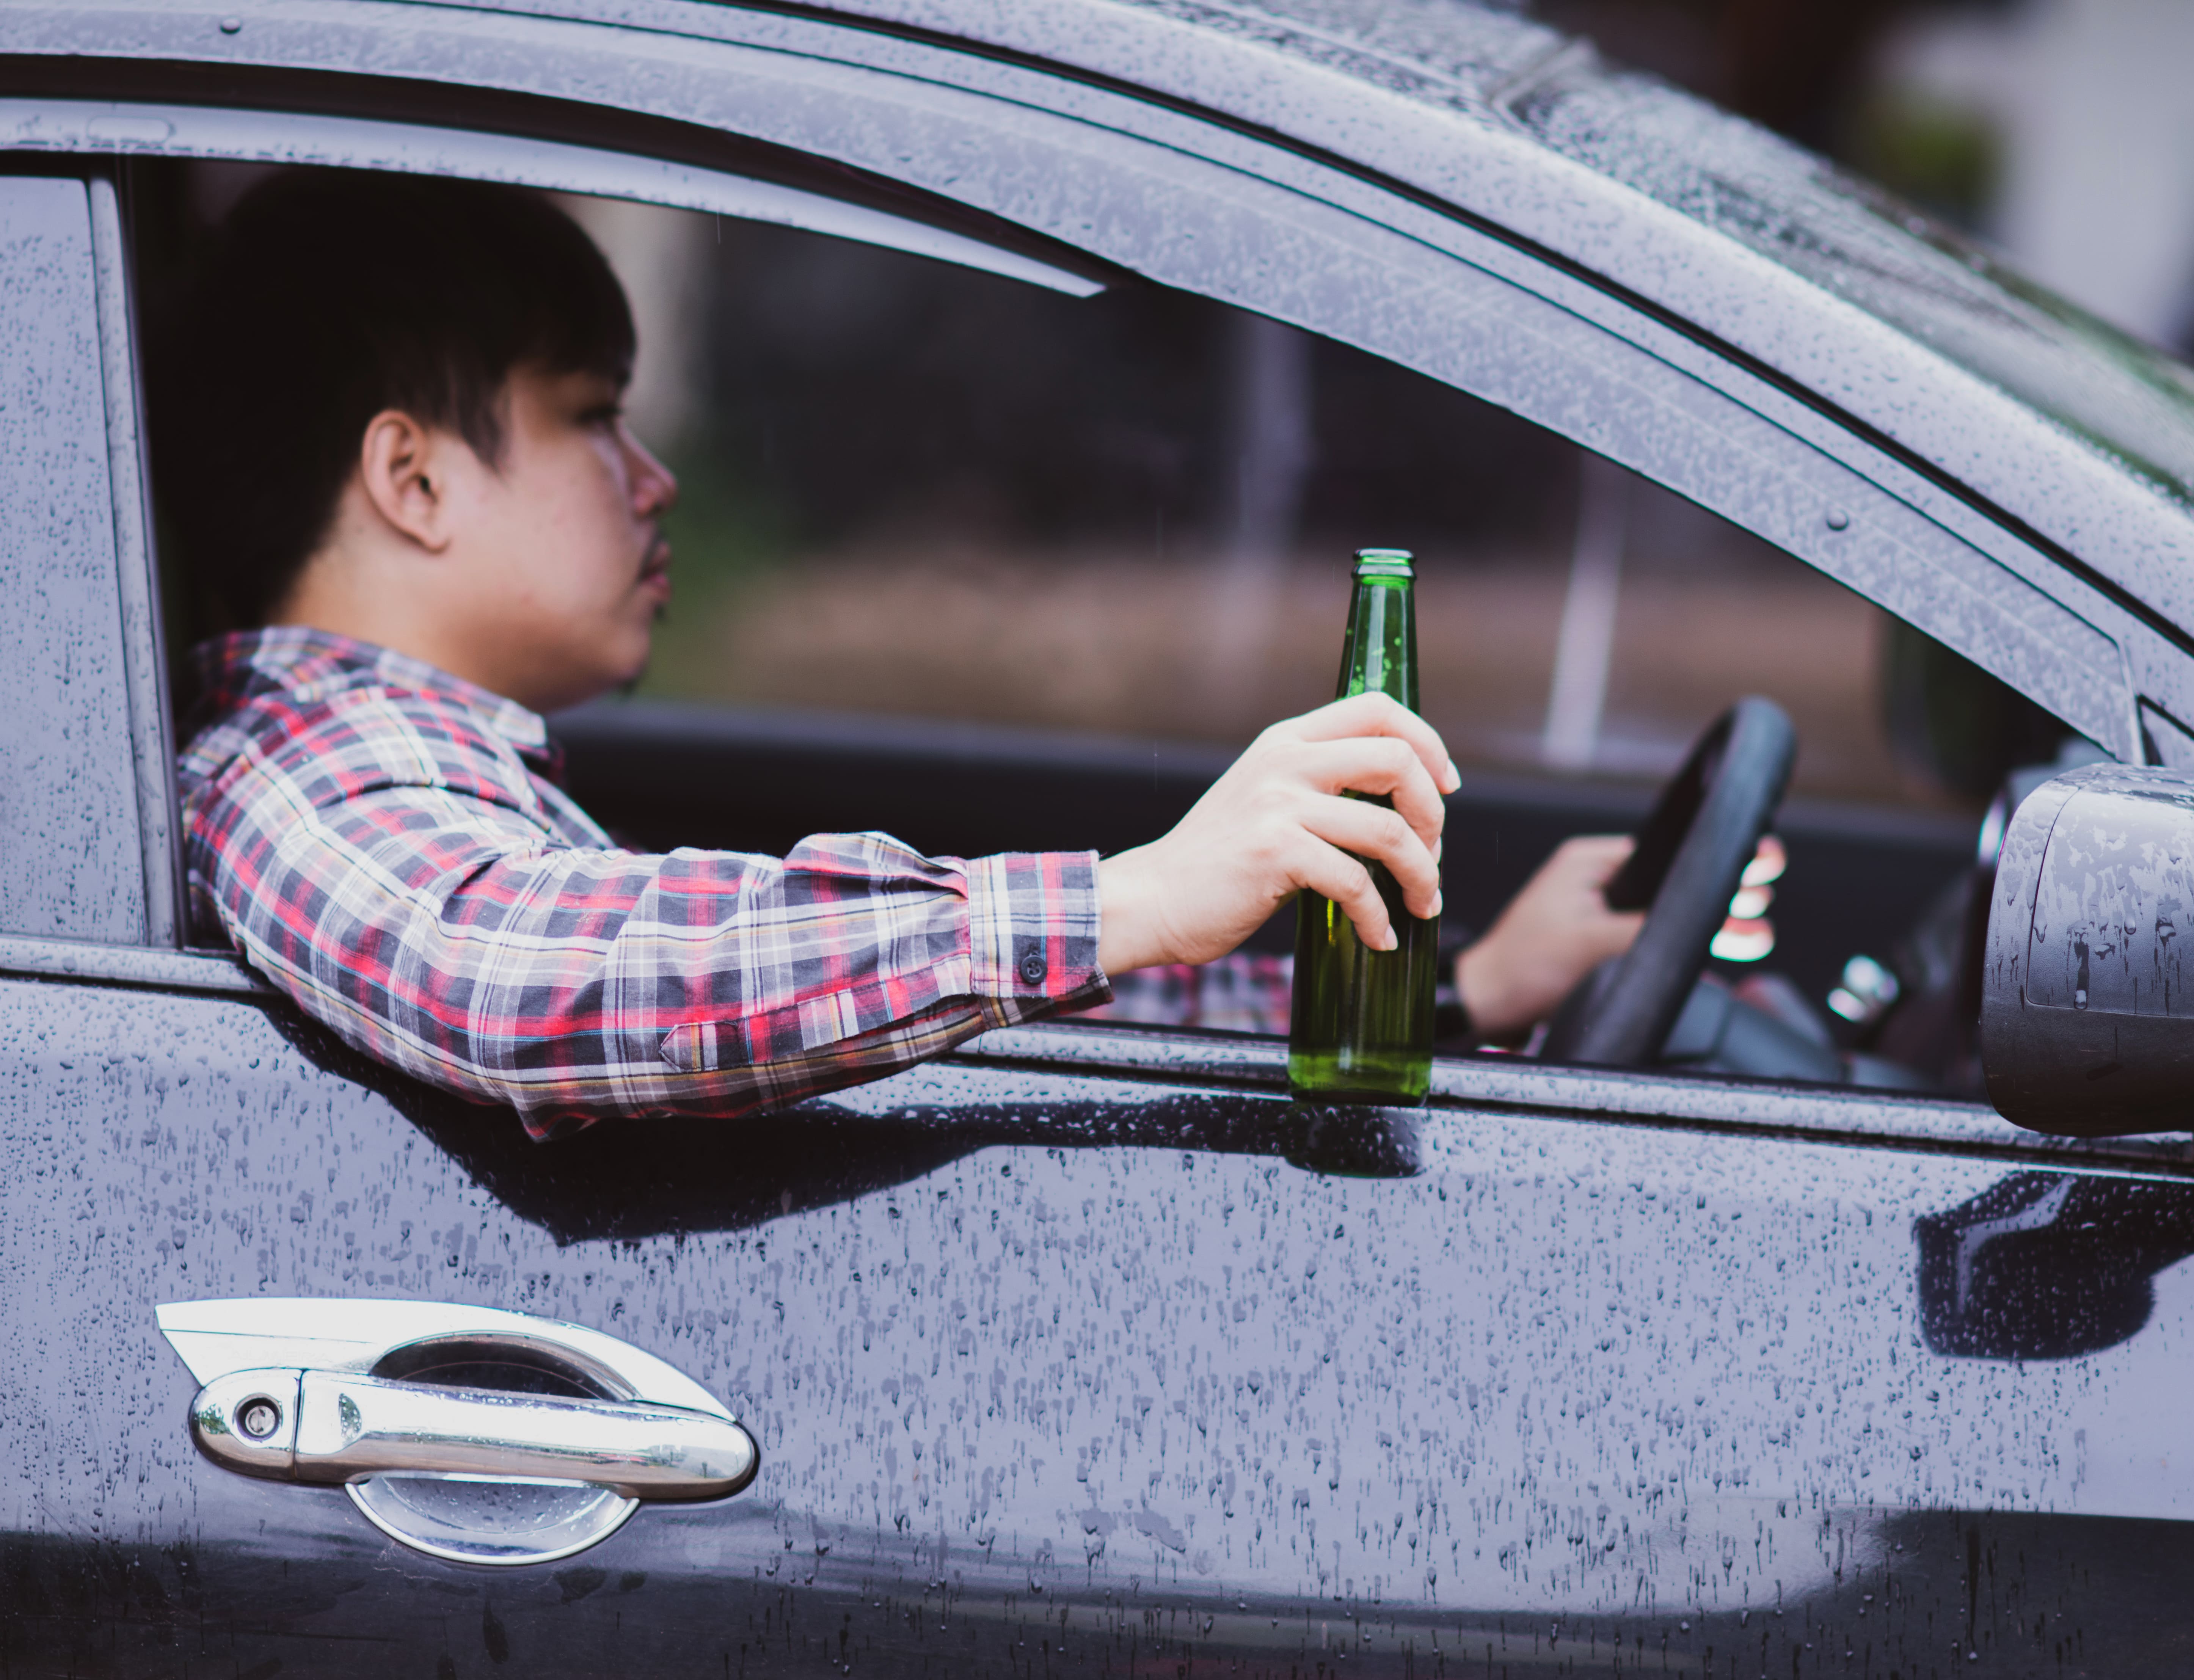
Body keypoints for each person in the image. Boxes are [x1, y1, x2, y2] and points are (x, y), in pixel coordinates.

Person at [158, 171, 1640, 1136]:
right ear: (412, 480)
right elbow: (519, 980)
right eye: (597, 414)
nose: (656, 476)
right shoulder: (299, 771)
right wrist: (1126, 898)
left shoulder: (424, 775)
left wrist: (1466, 988)